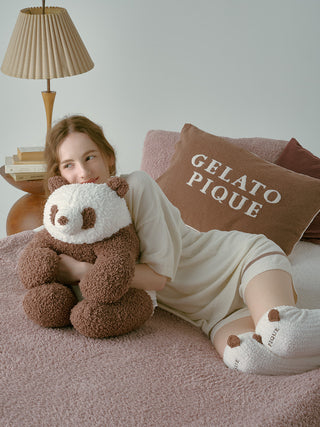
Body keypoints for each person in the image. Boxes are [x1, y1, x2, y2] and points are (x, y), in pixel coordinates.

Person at [44, 114, 320, 375]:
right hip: (211, 316)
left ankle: (288, 325)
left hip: (240, 262)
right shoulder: (69, 223)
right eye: (69, 164)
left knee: (281, 333)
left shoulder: (137, 186)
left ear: (108, 156)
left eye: (89, 157)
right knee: (245, 359)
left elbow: (158, 277)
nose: (82, 172)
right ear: (59, 174)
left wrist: (82, 270)